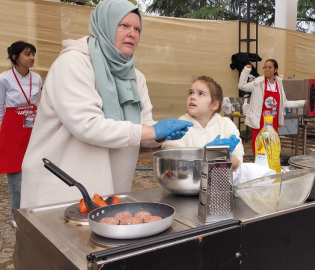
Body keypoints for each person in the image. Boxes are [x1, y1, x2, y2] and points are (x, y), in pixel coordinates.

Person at [20, 0, 192, 208]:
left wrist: (160, 134)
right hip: (61, 186)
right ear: (104, 26)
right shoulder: (73, 63)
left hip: (108, 188)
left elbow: (142, 127)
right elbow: (87, 125)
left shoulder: (135, 77)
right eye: (124, 26)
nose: (132, 33)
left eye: (137, 28)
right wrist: (152, 131)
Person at [0, 41, 42, 227]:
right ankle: (15, 213)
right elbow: (0, 107)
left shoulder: (38, 78)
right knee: (15, 174)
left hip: (32, 126)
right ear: (15, 57)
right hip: (12, 128)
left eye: (33, 54)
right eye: (27, 54)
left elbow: (36, 103)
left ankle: (33, 208)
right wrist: (5, 129)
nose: (32, 58)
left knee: (34, 169)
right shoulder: (4, 79)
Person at [162, 76, 244, 170]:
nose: (192, 97)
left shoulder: (226, 125)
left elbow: (238, 162)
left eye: (201, 94)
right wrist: (205, 154)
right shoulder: (178, 126)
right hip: (188, 182)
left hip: (218, 182)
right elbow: (173, 162)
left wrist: (224, 155)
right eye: (191, 93)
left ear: (214, 105)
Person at [238, 60, 307, 152]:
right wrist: (246, 71)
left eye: (270, 67)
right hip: (259, 122)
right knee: (259, 150)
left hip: (273, 123)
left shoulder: (279, 84)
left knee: (271, 150)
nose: (267, 69)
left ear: (275, 69)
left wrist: (301, 103)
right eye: (265, 67)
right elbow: (241, 86)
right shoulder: (257, 83)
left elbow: (284, 103)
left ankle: (269, 166)